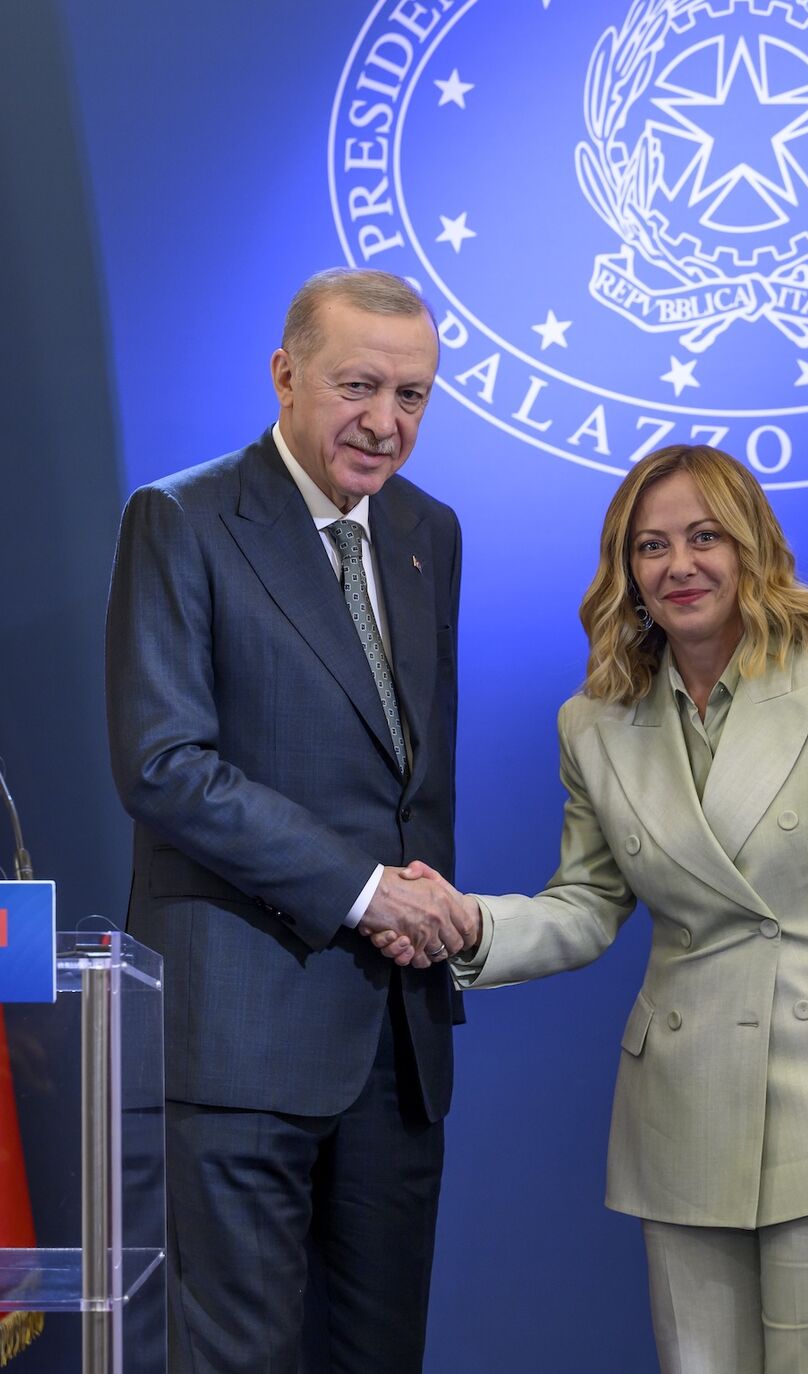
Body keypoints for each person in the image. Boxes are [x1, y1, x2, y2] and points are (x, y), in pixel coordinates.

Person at [381, 444, 808, 1373]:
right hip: (684, 1107)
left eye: (705, 537)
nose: (679, 565)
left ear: (751, 548)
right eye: (651, 547)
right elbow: (585, 905)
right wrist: (469, 924)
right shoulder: (594, 722)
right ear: (627, 572)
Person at [105, 267, 478, 1374]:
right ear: (284, 375)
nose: (385, 422)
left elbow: (411, 779)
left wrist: (419, 922)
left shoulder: (427, 531)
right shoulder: (180, 519)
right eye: (358, 386)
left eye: (412, 396)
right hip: (241, 1038)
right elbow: (165, 765)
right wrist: (368, 894)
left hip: (393, 1043)